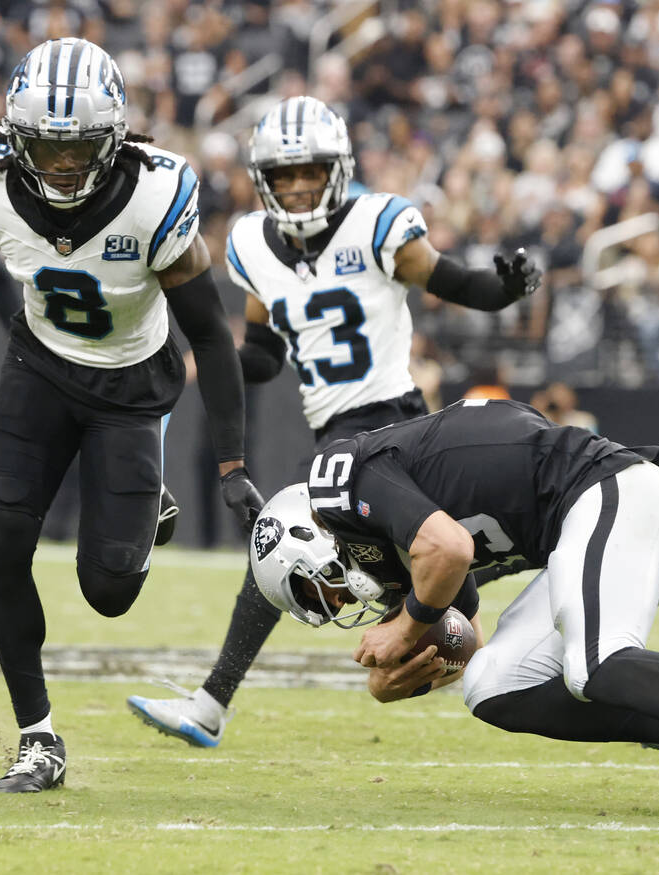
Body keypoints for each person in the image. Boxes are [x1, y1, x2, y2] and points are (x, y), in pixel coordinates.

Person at [125, 95, 541, 748]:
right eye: (284, 175)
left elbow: (453, 282)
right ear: (264, 181)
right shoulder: (253, 244)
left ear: (337, 170)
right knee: (444, 606)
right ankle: (507, 652)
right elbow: (264, 355)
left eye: (309, 172)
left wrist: (505, 288)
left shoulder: (378, 223)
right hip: (337, 440)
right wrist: (213, 362)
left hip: (393, 425)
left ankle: (210, 704)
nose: (296, 187)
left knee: (282, 541)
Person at [0, 38, 263, 793]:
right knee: (3, 535)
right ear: (16, 138)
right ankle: (37, 737)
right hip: (38, 366)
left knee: (110, 592)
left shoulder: (155, 194)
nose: (62, 165)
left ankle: (146, 510)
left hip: (133, 387)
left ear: (113, 140)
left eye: (78, 148)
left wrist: (233, 463)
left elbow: (208, 328)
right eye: (45, 147)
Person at [250, 398, 659, 829]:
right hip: (589, 525)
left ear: (306, 537)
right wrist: (412, 670)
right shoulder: (387, 548)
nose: (342, 601)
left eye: (319, 590)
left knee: (595, 663)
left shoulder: (337, 479)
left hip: (609, 492)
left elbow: (451, 550)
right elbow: (466, 636)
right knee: (492, 683)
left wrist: (405, 626)